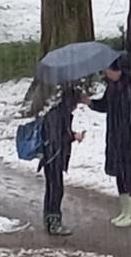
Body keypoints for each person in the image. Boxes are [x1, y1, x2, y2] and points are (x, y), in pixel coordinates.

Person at [86, 52, 131, 228]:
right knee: (120, 174)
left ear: (120, 70)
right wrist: (89, 102)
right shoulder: (112, 88)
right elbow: (105, 105)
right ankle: (124, 210)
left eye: (110, 70)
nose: (107, 73)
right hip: (116, 137)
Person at [40, 86, 86, 236]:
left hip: (50, 157)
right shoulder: (60, 115)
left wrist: (71, 135)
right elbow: (58, 138)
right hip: (54, 157)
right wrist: (73, 136)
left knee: (52, 189)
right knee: (56, 190)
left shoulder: (57, 113)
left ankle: (49, 220)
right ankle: (54, 223)